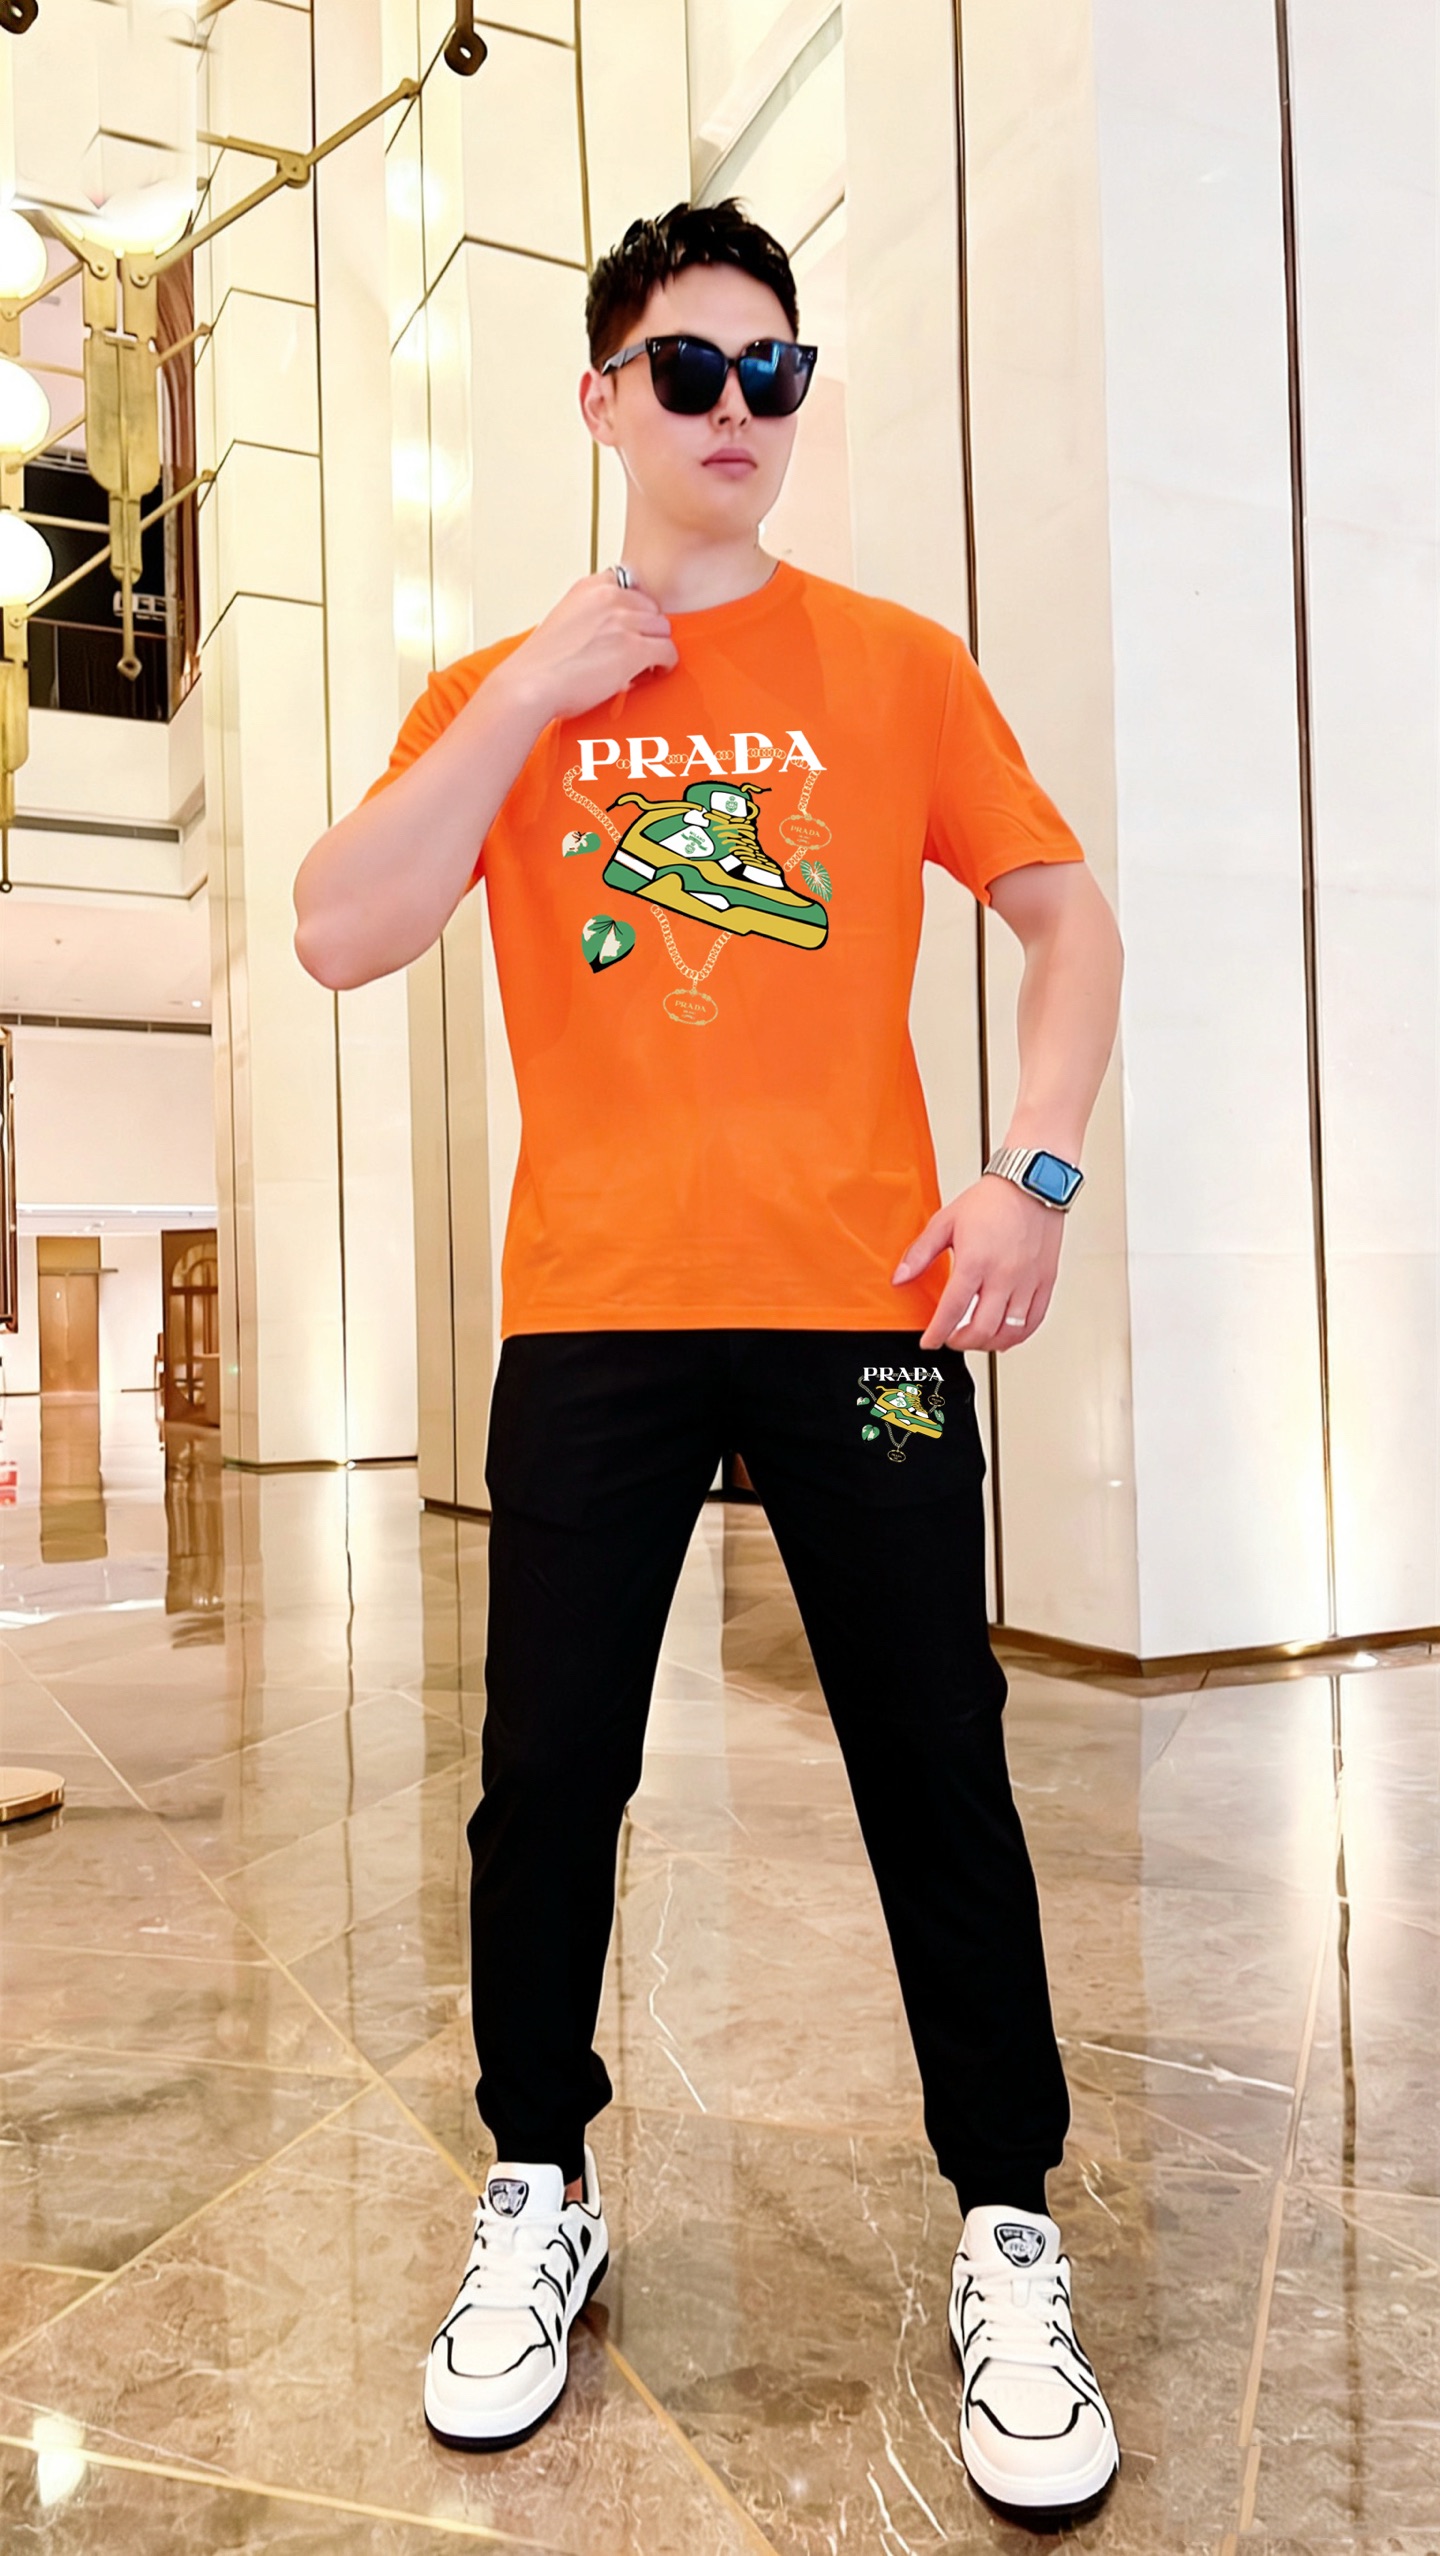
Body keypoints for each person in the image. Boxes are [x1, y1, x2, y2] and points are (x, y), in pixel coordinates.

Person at [294, 199, 1125, 2518]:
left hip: (869, 1314)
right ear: (604, 400)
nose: (740, 408)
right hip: (593, 1310)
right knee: (548, 1772)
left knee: (935, 1761)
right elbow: (342, 930)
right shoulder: (498, 689)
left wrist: (1032, 1175)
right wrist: (531, 696)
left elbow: (1067, 923)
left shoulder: (899, 666)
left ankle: (1007, 2225)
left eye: (776, 370)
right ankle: (537, 2183)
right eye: (690, 369)